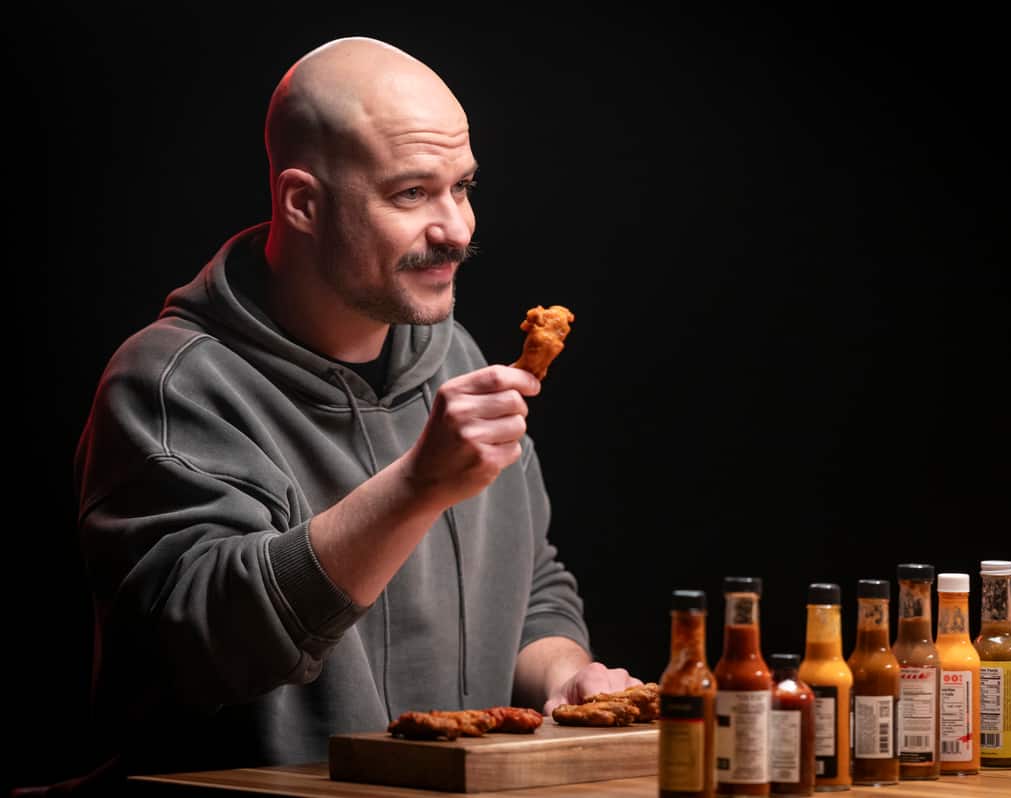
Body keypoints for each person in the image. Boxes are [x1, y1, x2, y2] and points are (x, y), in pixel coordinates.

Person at [71, 36, 639, 778]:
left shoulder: (459, 357)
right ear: (303, 203)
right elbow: (193, 650)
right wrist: (416, 487)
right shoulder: (170, 383)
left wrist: (565, 674)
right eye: (411, 194)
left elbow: (530, 586)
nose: (457, 230)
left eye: (462, 187)